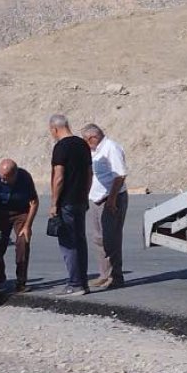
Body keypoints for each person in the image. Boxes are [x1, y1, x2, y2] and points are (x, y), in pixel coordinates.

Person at [48, 114, 92, 296]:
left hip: (66, 201)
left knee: (68, 243)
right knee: (80, 241)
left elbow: (59, 177)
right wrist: (86, 195)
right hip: (81, 200)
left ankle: (75, 284)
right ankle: (83, 282)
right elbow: (90, 173)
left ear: (54, 129)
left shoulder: (61, 147)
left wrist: (53, 203)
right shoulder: (83, 145)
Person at [81, 124, 128, 290]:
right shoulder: (94, 151)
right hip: (96, 198)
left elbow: (120, 175)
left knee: (111, 239)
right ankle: (104, 275)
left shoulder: (111, 148)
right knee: (98, 239)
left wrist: (112, 200)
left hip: (111, 198)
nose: (85, 144)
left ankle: (116, 277)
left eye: (85, 141)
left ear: (93, 138)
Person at [0, 159, 39, 293]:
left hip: (21, 213)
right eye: (1, 176)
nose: (2, 180)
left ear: (14, 175)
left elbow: (34, 202)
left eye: (6, 178)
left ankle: (21, 282)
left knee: (22, 242)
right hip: (2, 212)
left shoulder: (25, 178)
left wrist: (28, 226)